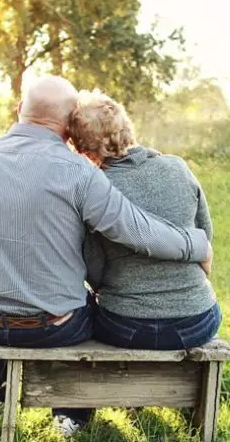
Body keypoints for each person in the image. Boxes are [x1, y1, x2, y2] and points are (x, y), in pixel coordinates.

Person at [0, 76, 212, 436]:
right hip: (49, 327)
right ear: (68, 126)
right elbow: (137, 231)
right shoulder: (79, 174)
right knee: (90, 305)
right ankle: (71, 411)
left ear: (18, 110)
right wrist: (198, 245)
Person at [69, 88, 221, 351]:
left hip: (126, 326)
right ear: (127, 126)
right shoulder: (178, 167)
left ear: (83, 149)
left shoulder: (97, 189)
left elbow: (93, 267)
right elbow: (204, 234)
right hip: (197, 321)